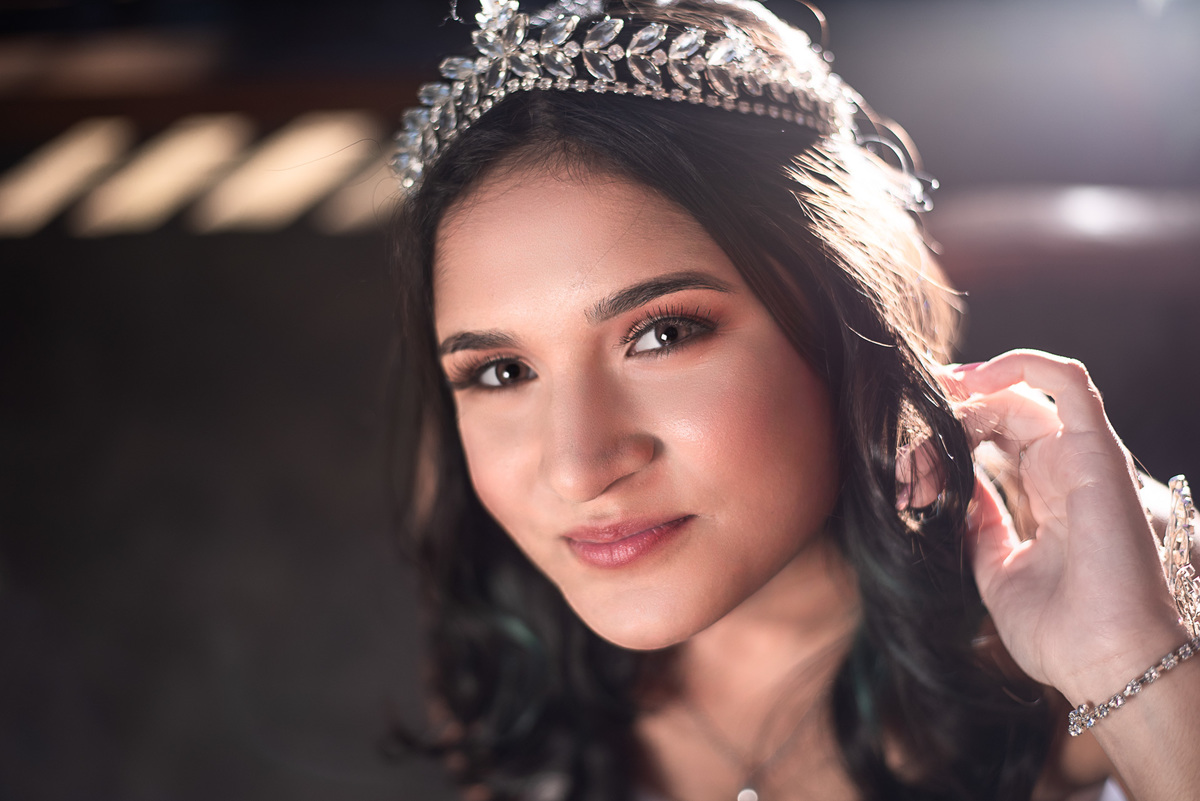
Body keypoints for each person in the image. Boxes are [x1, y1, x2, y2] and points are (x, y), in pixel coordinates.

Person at [387, 1, 1200, 799]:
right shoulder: (511, 668)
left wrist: (1131, 663)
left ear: (846, 317)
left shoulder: (1118, 613)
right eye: (501, 371)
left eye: (663, 334)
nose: (576, 469)